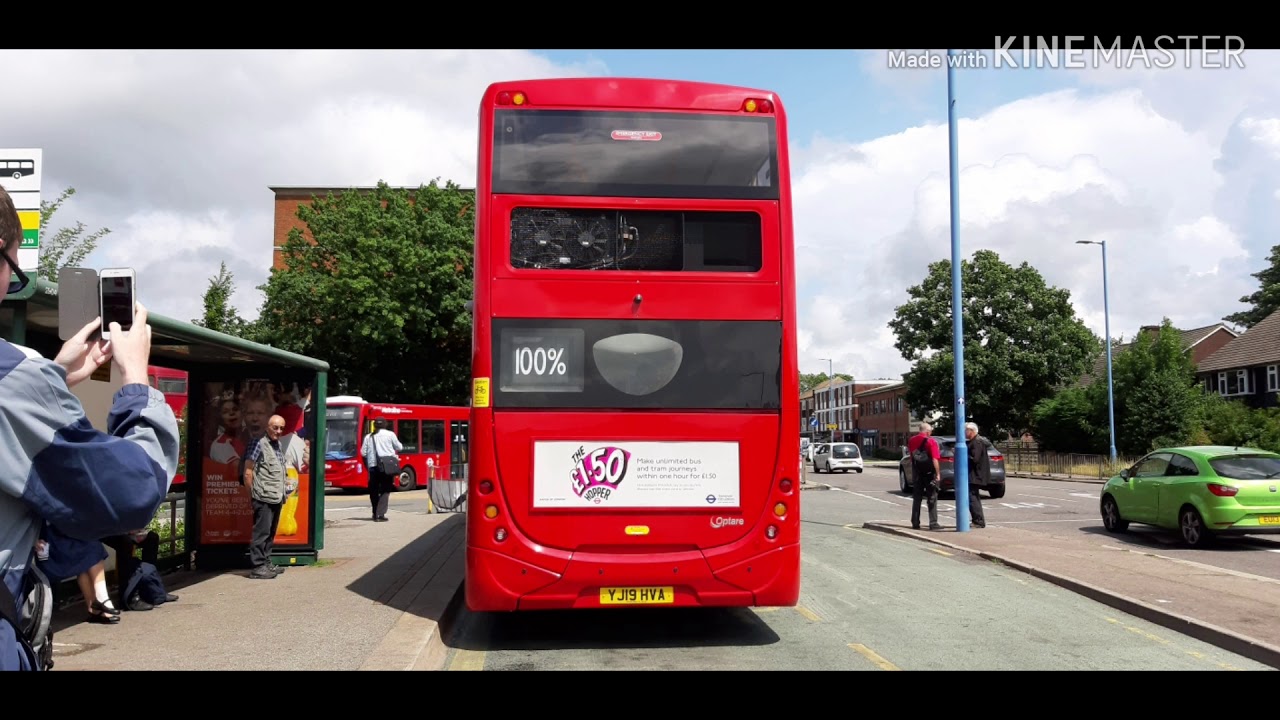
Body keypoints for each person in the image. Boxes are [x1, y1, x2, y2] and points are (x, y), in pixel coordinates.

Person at [0, 185, 180, 670]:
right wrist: (136, 378)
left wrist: (53, 377)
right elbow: (131, 492)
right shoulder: (11, 379)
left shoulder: (19, 381)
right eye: (13, 272)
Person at [242, 415, 291, 579]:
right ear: (267, 427)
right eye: (275, 427)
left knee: (270, 533)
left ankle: (266, 561)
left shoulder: (277, 444)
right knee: (261, 533)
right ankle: (257, 566)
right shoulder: (258, 443)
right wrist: (252, 497)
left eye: (281, 428)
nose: (278, 431)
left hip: (276, 497)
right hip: (262, 497)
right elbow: (248, 472)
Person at [102, 530, 179, 610]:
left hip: (123, 528)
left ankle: (152, 589)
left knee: (152, 537)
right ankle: (130, 597)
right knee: (125, 542)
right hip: (100, 527)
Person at [361, 419, 403, 522]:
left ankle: (375, 512)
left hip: (373, 466)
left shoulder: (368, 437)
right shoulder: (390, 434)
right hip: (386, 467)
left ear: (374, 426)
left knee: (373, 490)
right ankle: (380, 514)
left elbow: (363, 453)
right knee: (386, 489)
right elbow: (399, 447)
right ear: (385, 425)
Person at [907, 422, 942, 531]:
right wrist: (938, 474)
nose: (931, 433)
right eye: (930, 431)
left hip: (917, 472)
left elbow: (912, 456)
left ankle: (915, 522)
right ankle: (933, 523)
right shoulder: (931, 441)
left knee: (917, 498)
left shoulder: (912, 440)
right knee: (932, 497)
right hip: (929, 473)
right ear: (927, 431)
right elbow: (935, 459)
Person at [964, 422, 991, 529]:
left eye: (966, 430)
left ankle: (978, 520)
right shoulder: (973, 442)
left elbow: (975, 459)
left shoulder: (976, 442)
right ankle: (977, 519)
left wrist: (963, 454)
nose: (965, 432)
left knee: (973, 497)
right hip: (973, 474)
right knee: (972, 497)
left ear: (972, 431)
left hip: (975, 475)